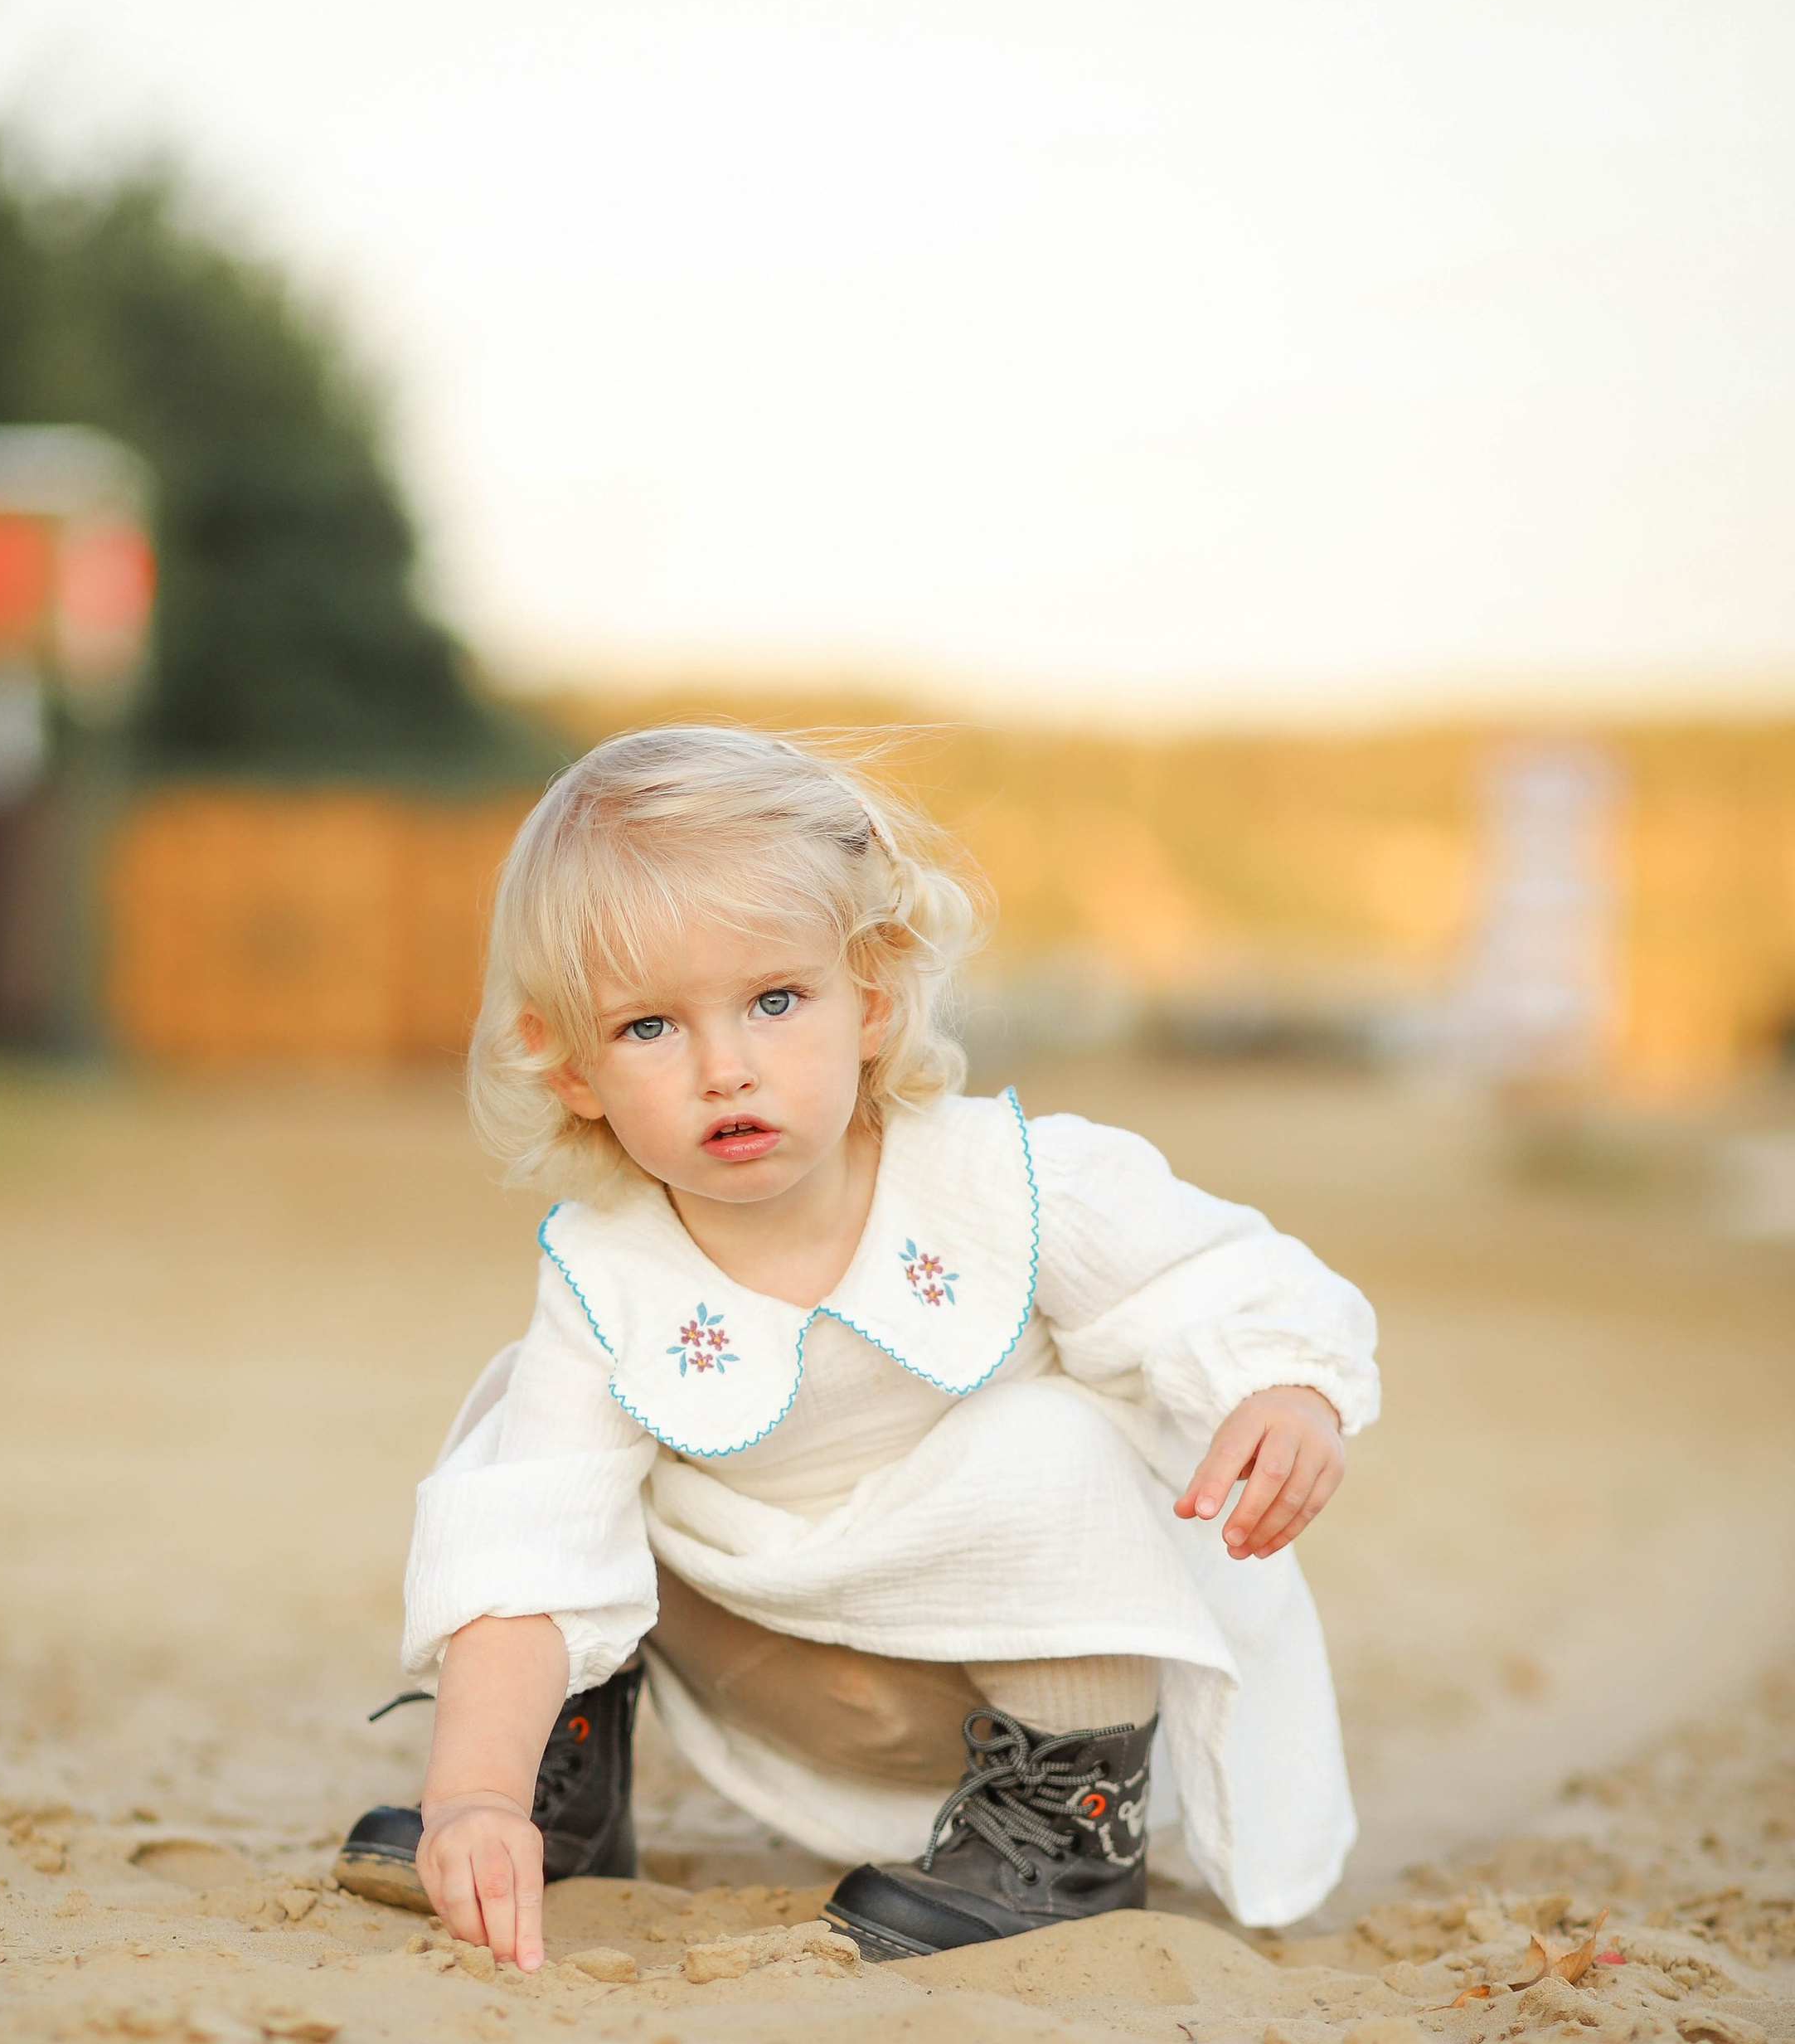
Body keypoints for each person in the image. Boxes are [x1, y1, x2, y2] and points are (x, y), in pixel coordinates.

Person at [336, 728, 1378, 1972]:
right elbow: (529, 1545)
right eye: (649, 1028)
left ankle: (1069, 1836)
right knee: (531, 1425)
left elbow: (1217, 1274)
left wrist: (1287, 1389)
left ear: (872, 1000)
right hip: (765, 1662)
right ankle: (550, 1792)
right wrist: (471, 1798)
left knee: (1047, 1434)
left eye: (776, 1002)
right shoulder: (607, 1269)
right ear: (569, 1068)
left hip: (997, 1693)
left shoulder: (1006, 1179)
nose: (727, 1068)